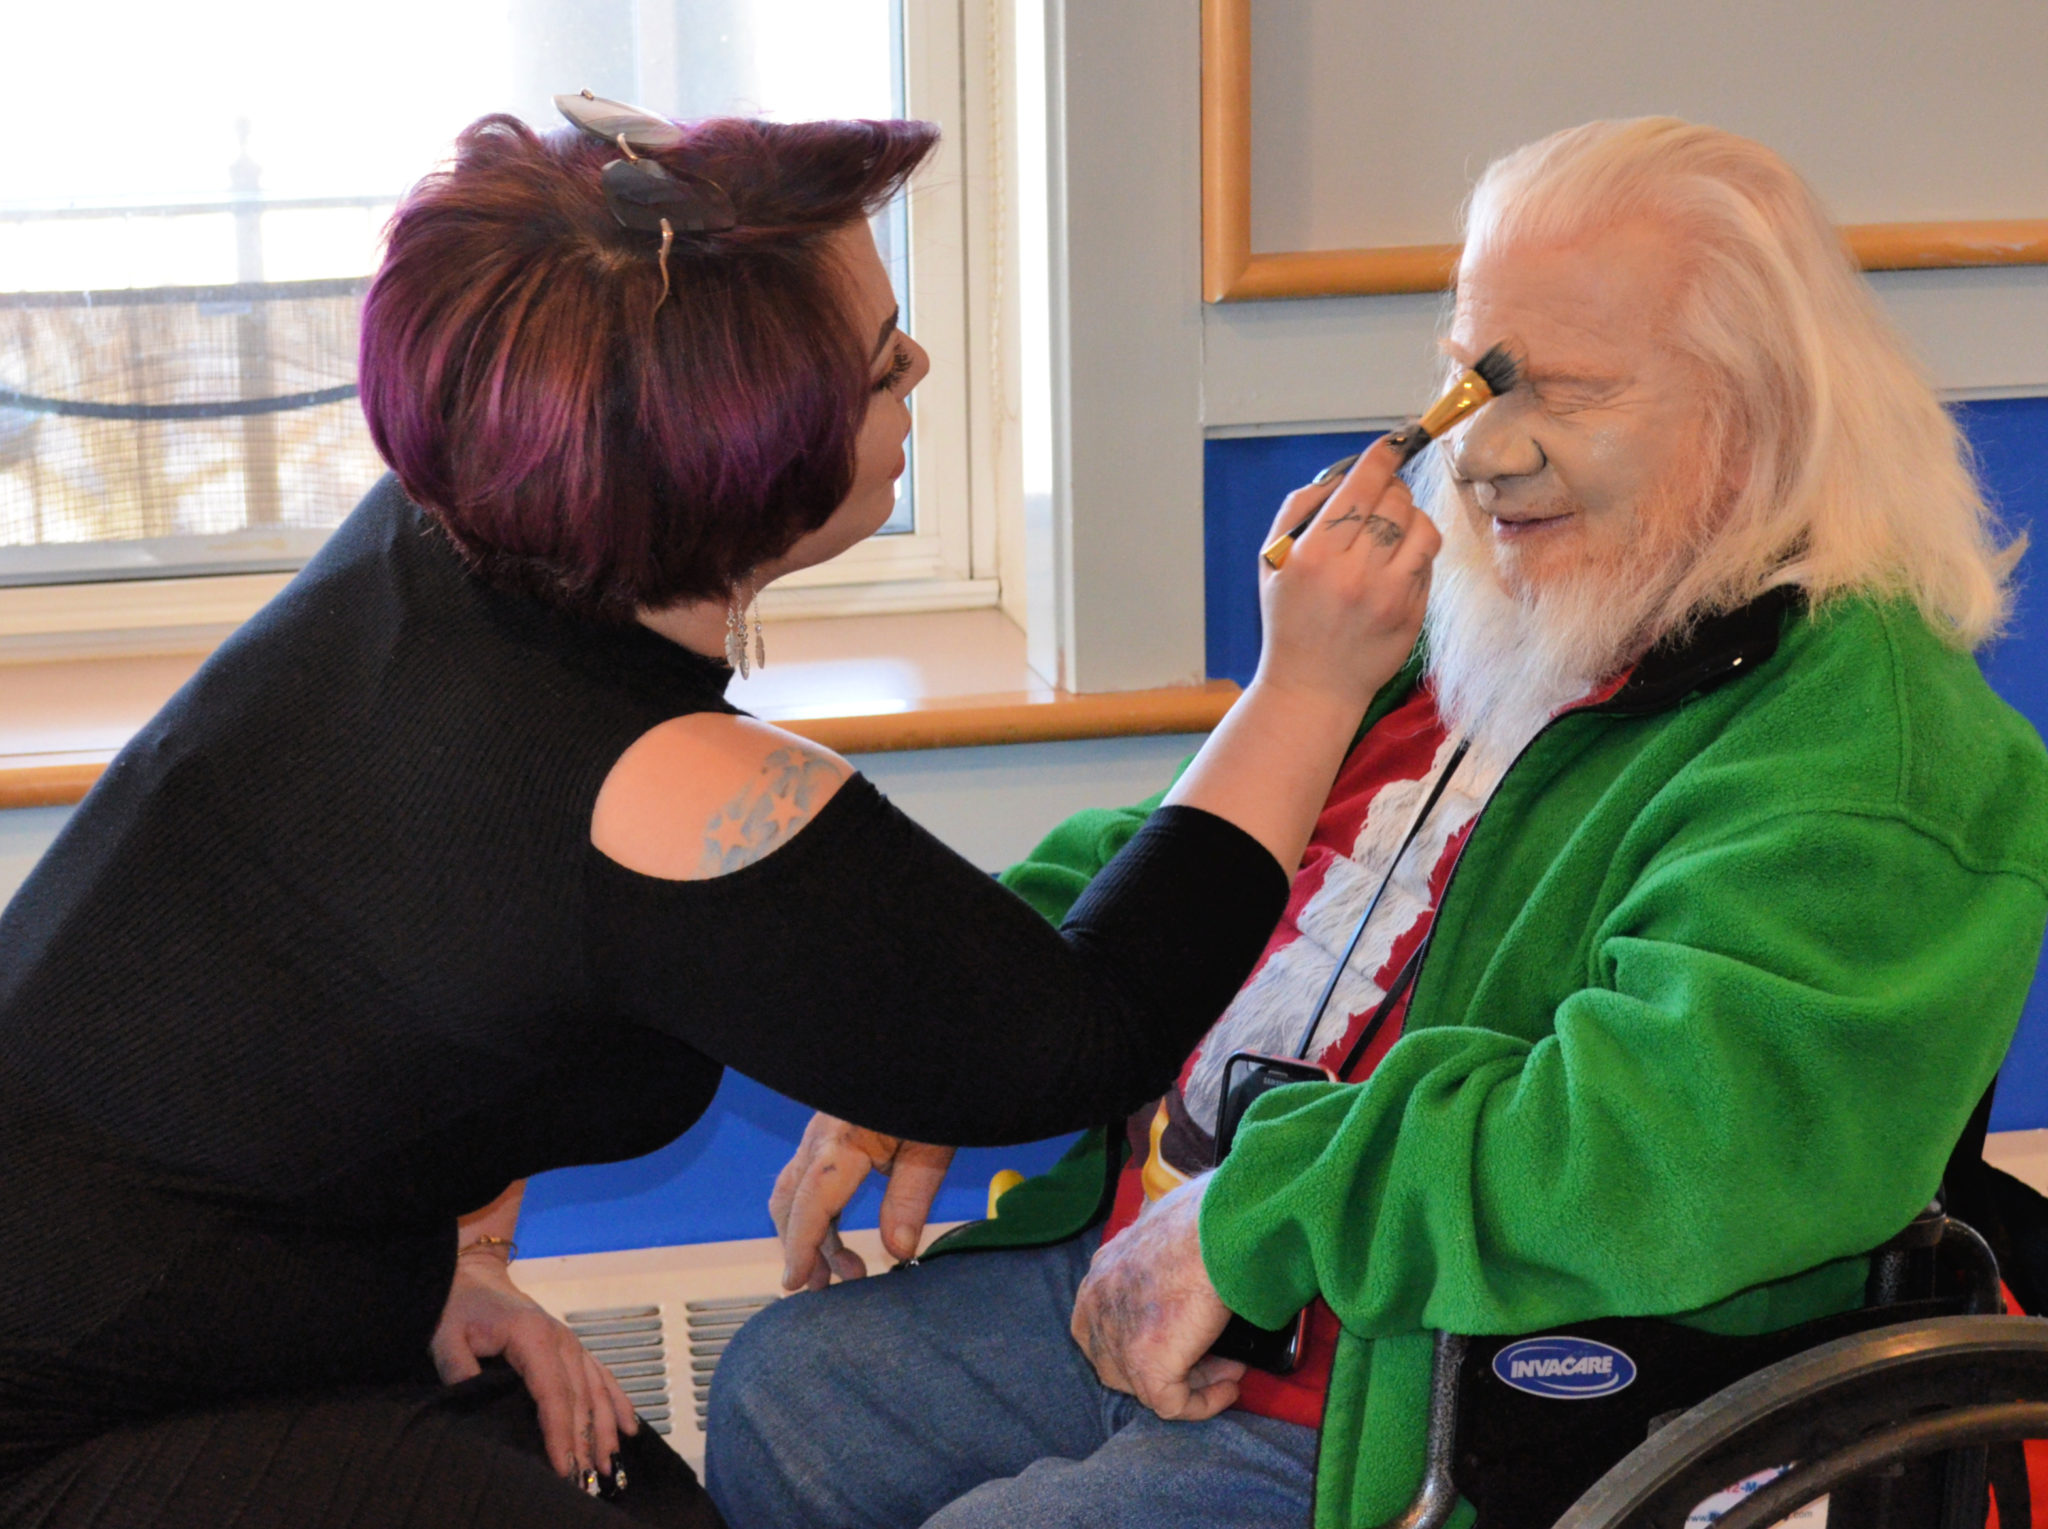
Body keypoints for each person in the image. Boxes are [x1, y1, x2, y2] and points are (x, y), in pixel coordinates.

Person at [0, 107, 1440, 1529]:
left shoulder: (449, 535)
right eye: (885, 367)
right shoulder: (653, 783)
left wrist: (447, 1261)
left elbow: (348, 1002)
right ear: (757, 464)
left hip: (194, 1290)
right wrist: (1307, 684)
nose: (920, 366)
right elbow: (1080, 1034)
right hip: (60, 1410)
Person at [705, 116, 2048, 1529]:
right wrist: (940, 1017)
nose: (1481, 456)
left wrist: (1256, 1215)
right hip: (1196, 1256)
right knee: (789, 1397)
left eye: (1566, 392)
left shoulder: (1878, 749)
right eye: (1473, 378)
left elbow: (1669, 1142)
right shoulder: (1501, 609)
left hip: (1435, 1382)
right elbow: (1194, 855)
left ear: (1757, 416)